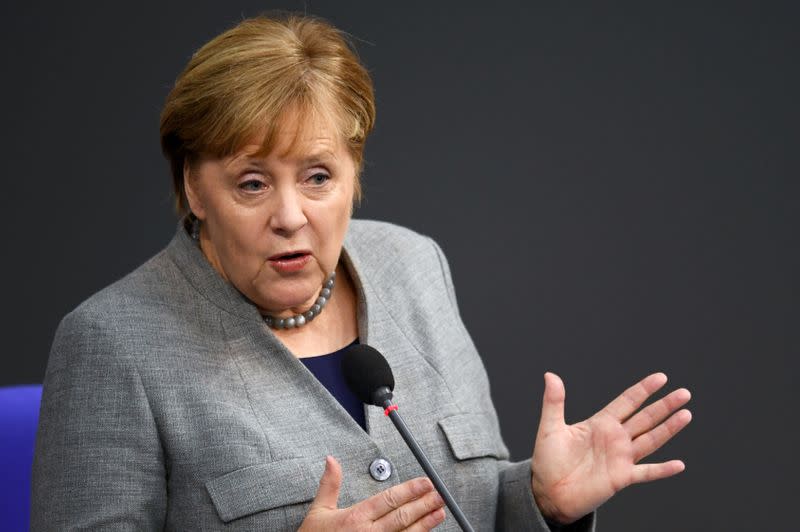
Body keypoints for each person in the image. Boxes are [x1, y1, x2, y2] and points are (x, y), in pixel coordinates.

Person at [31, 14, 692, 531]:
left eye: (318, 177)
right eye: (252, 183)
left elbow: (476, 512)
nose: (290, 216)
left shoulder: (414, 267)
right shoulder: (113, 345)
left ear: (354, 174)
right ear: (195, 188)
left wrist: (541, 504)